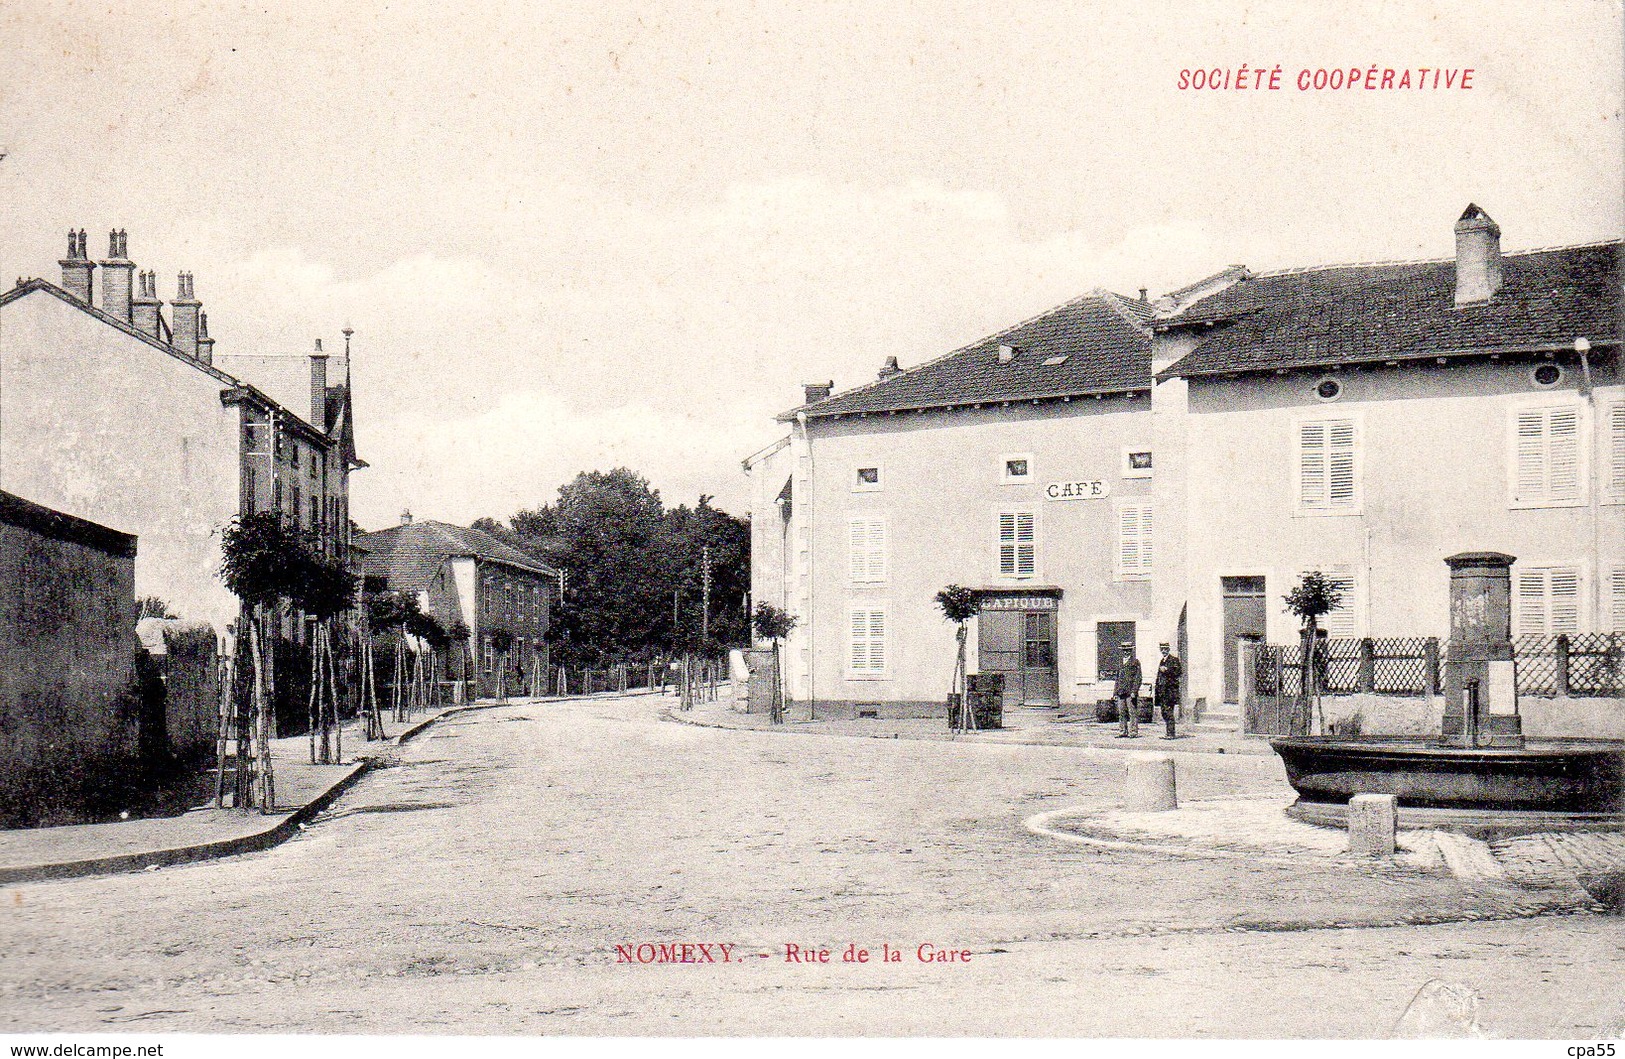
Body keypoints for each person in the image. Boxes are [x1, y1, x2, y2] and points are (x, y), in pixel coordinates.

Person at [1154, 642, 1183, 739]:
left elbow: (1178, 672)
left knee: (1168, 712)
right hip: (1162, 692)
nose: (1163, 651)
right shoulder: (1161, 661)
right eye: (1162, 649)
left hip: (1170, 692)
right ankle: (1168, 732)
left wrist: (1167, 670)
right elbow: (1159, 677)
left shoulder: (1174, 660)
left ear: (1169, 649)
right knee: (1164, 712)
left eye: (1165, 649)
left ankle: (1171, 733)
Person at [1114, 643, 1142, 738]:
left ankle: (1133, 732)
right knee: (1121, 712)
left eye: (1128, 650)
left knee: (1132, 712)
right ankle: (1123, 731)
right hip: (1121, 691)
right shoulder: (1119, 662)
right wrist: (1115, 692)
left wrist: (1134, 691)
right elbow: (1117, 679)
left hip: (1130, 692)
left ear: (1131, 651)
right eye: (1124, 650)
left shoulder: (1135, 662)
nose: (1126, 652)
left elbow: (1138, 678)